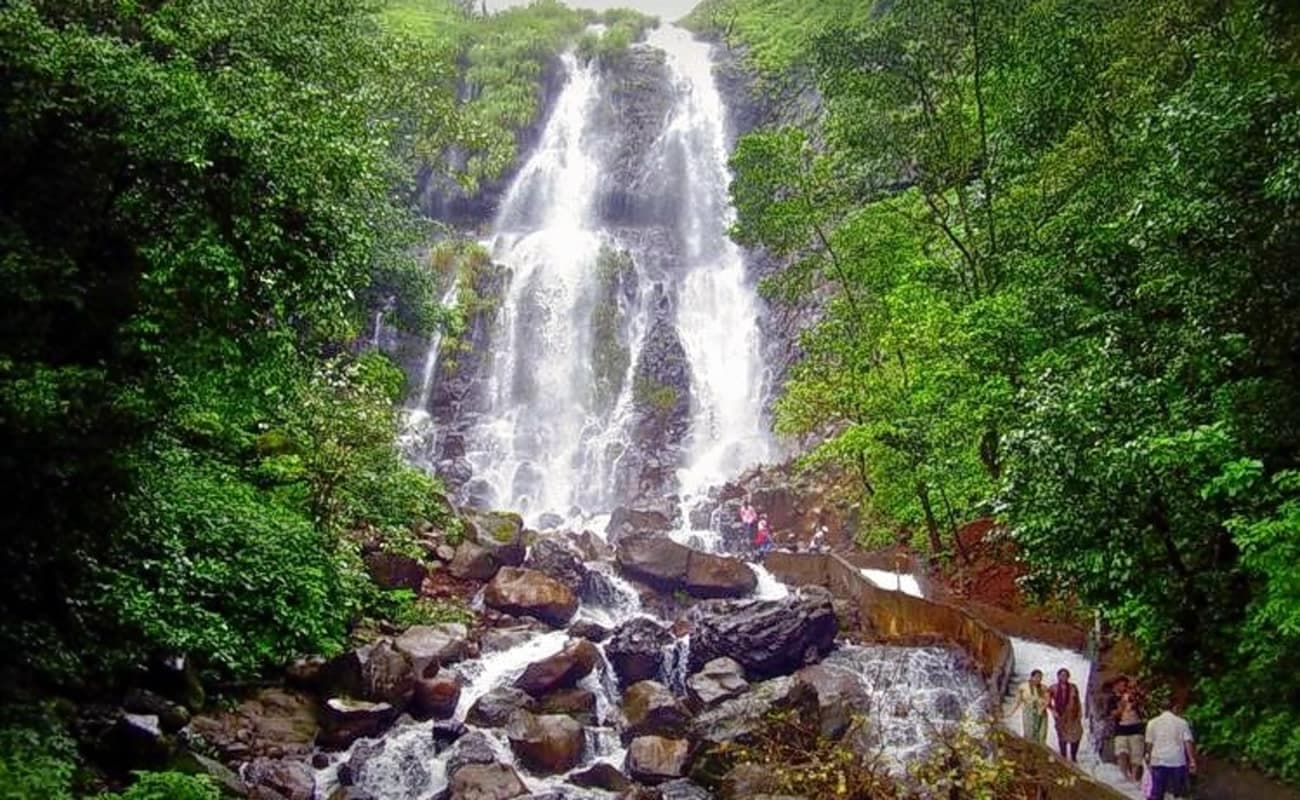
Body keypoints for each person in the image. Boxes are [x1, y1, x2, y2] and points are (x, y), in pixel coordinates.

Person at [1145, 698, 1196, 799]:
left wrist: (1148, 756)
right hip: (1177, 761)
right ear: (1174, 708)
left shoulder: (1152, 723)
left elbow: (1149, 743)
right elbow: (1187, 742)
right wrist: (1192, 760)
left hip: (1158, 760)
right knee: (1177, 792)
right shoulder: (1182, 722)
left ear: (1160, 709)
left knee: (1157, 792)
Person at [1111, 677, 1146, 782]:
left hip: (1136, 729)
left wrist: (1136, 701)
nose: (1125, 688)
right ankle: (1124, 775)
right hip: (1121, 730)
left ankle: (1134, 778)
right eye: (1122, 686)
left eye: (1126, 686)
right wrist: (1121, 707)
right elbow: (1112, 715)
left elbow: (1143, 711)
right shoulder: (1114, 699)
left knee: (1136, 755)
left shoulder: (1137, 697)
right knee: (1121, 752)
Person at [1049, 668, 1084, 762]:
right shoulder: (1053, 688)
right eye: (1062, 675)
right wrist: (1053, 711)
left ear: (1068, 676)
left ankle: (1073, 756)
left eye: (1065, 675)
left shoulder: (1073, 687)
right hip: (1061, 716)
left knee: (1077, 735)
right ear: (1058, 676)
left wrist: (1080, 712)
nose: (1064, 677)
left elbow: (1077, 700)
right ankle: (1063, 756)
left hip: (1073, 715)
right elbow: (1047, 701)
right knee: (1062, 736)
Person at [1007, 669, 1049, 745]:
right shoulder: (1023, 687)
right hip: (1028, 712)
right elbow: (1018, 701)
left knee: (1041, 734)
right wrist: (1010, 713)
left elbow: (1047, 700)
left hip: (1041, 712)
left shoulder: (1044, 687)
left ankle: (1040, 750)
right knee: (1029, 733)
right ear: (1031, 677)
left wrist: (1042, 709)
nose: (1038, 679)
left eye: (1040, 677)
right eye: (1036, 677)